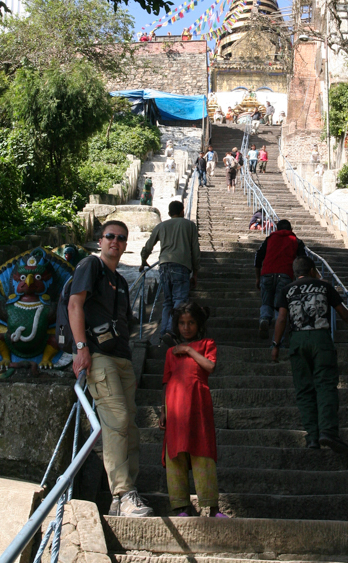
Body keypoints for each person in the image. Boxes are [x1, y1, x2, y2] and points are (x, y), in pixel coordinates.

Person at [68, 220, 154, 518]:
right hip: (98, 355)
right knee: (116, 419)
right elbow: (75, 305)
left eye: (121, 238)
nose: (115, 241)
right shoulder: (90, 266)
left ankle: (121, 499)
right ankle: (123, 493)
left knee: (129, 425)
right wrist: (81, 349)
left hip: (122, 357)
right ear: (100, 240)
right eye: (110, 237)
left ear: (126, 244)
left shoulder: (120, 281)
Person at [272, 257, 348, 453]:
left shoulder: (287, 290)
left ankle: (312, 437)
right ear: (312, 270)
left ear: (294, 272)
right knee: (325, 386)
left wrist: (276, 345)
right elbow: (343, 313)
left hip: (298, 341)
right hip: (321, 338)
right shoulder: (323, 287)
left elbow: (282, 318)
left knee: (304, 390)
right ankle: (328, 431)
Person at [159, 301, 228, 518]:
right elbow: (166, 381)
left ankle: (212, 507)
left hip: (198, 405)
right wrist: (163, 411)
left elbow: (210, 366)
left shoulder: (207, 343)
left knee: (203, 451)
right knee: (175, 453)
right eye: (181, 323)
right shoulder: (171, 352)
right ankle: (181, 506)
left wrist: (188, 349)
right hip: (175, 406)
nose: (186, 327)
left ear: (199, 324)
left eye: (190, 323)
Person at [140, 201, 200, 347]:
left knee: (167, 301)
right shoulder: (189, 225)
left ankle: (163, 333)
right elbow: (195, 250)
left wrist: (143, 260)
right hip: (182, 266)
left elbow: (148, 246)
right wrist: (195, 272)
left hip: (164, 265)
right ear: (182, 211)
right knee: (180, 299)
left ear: (168, 213)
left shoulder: (161, 226)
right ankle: (171, 331)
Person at [254, 219, 306, 339]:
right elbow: (304, 261)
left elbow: (258, 256)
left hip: (267, 273)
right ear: (291, 229)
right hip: (285, 275)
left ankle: (264, 318)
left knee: (266, 302)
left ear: (276, 229)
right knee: (280, 307)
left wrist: (258, 277)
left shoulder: (270, 238)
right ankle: (277, 342)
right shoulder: (296, 240)